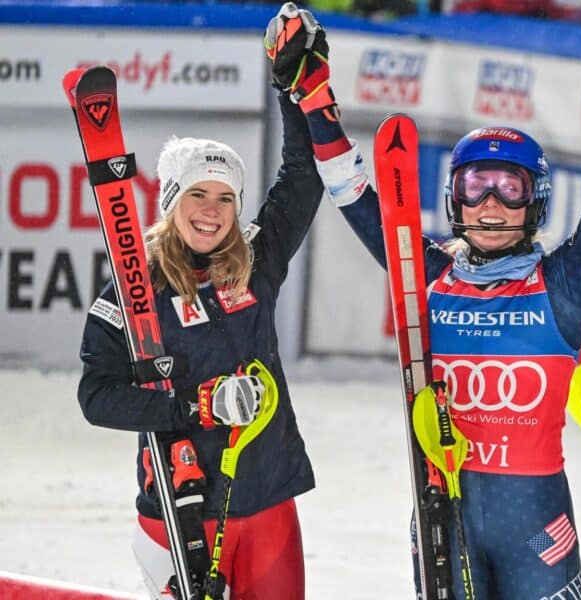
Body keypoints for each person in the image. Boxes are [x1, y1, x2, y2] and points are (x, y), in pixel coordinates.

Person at [308, 2, 581, 597]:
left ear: (536, 203)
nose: (492, 203)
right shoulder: (427, 275)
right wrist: (314, 98)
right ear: (454, 200)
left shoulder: (566, 283)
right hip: (446, 520)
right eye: (476, 186)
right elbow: (353, 197)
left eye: (511, 187)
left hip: (539, 531)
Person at [76, 4, 345, 598]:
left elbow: (302, 175)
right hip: (181, 510)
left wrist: (290, 85)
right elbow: (96, 396)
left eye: (226, 198)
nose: (212, 210)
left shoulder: (256, 259)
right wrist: (197, 406)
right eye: (197, 193)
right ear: (172, 200)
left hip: (269, 496)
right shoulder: (133, 284)